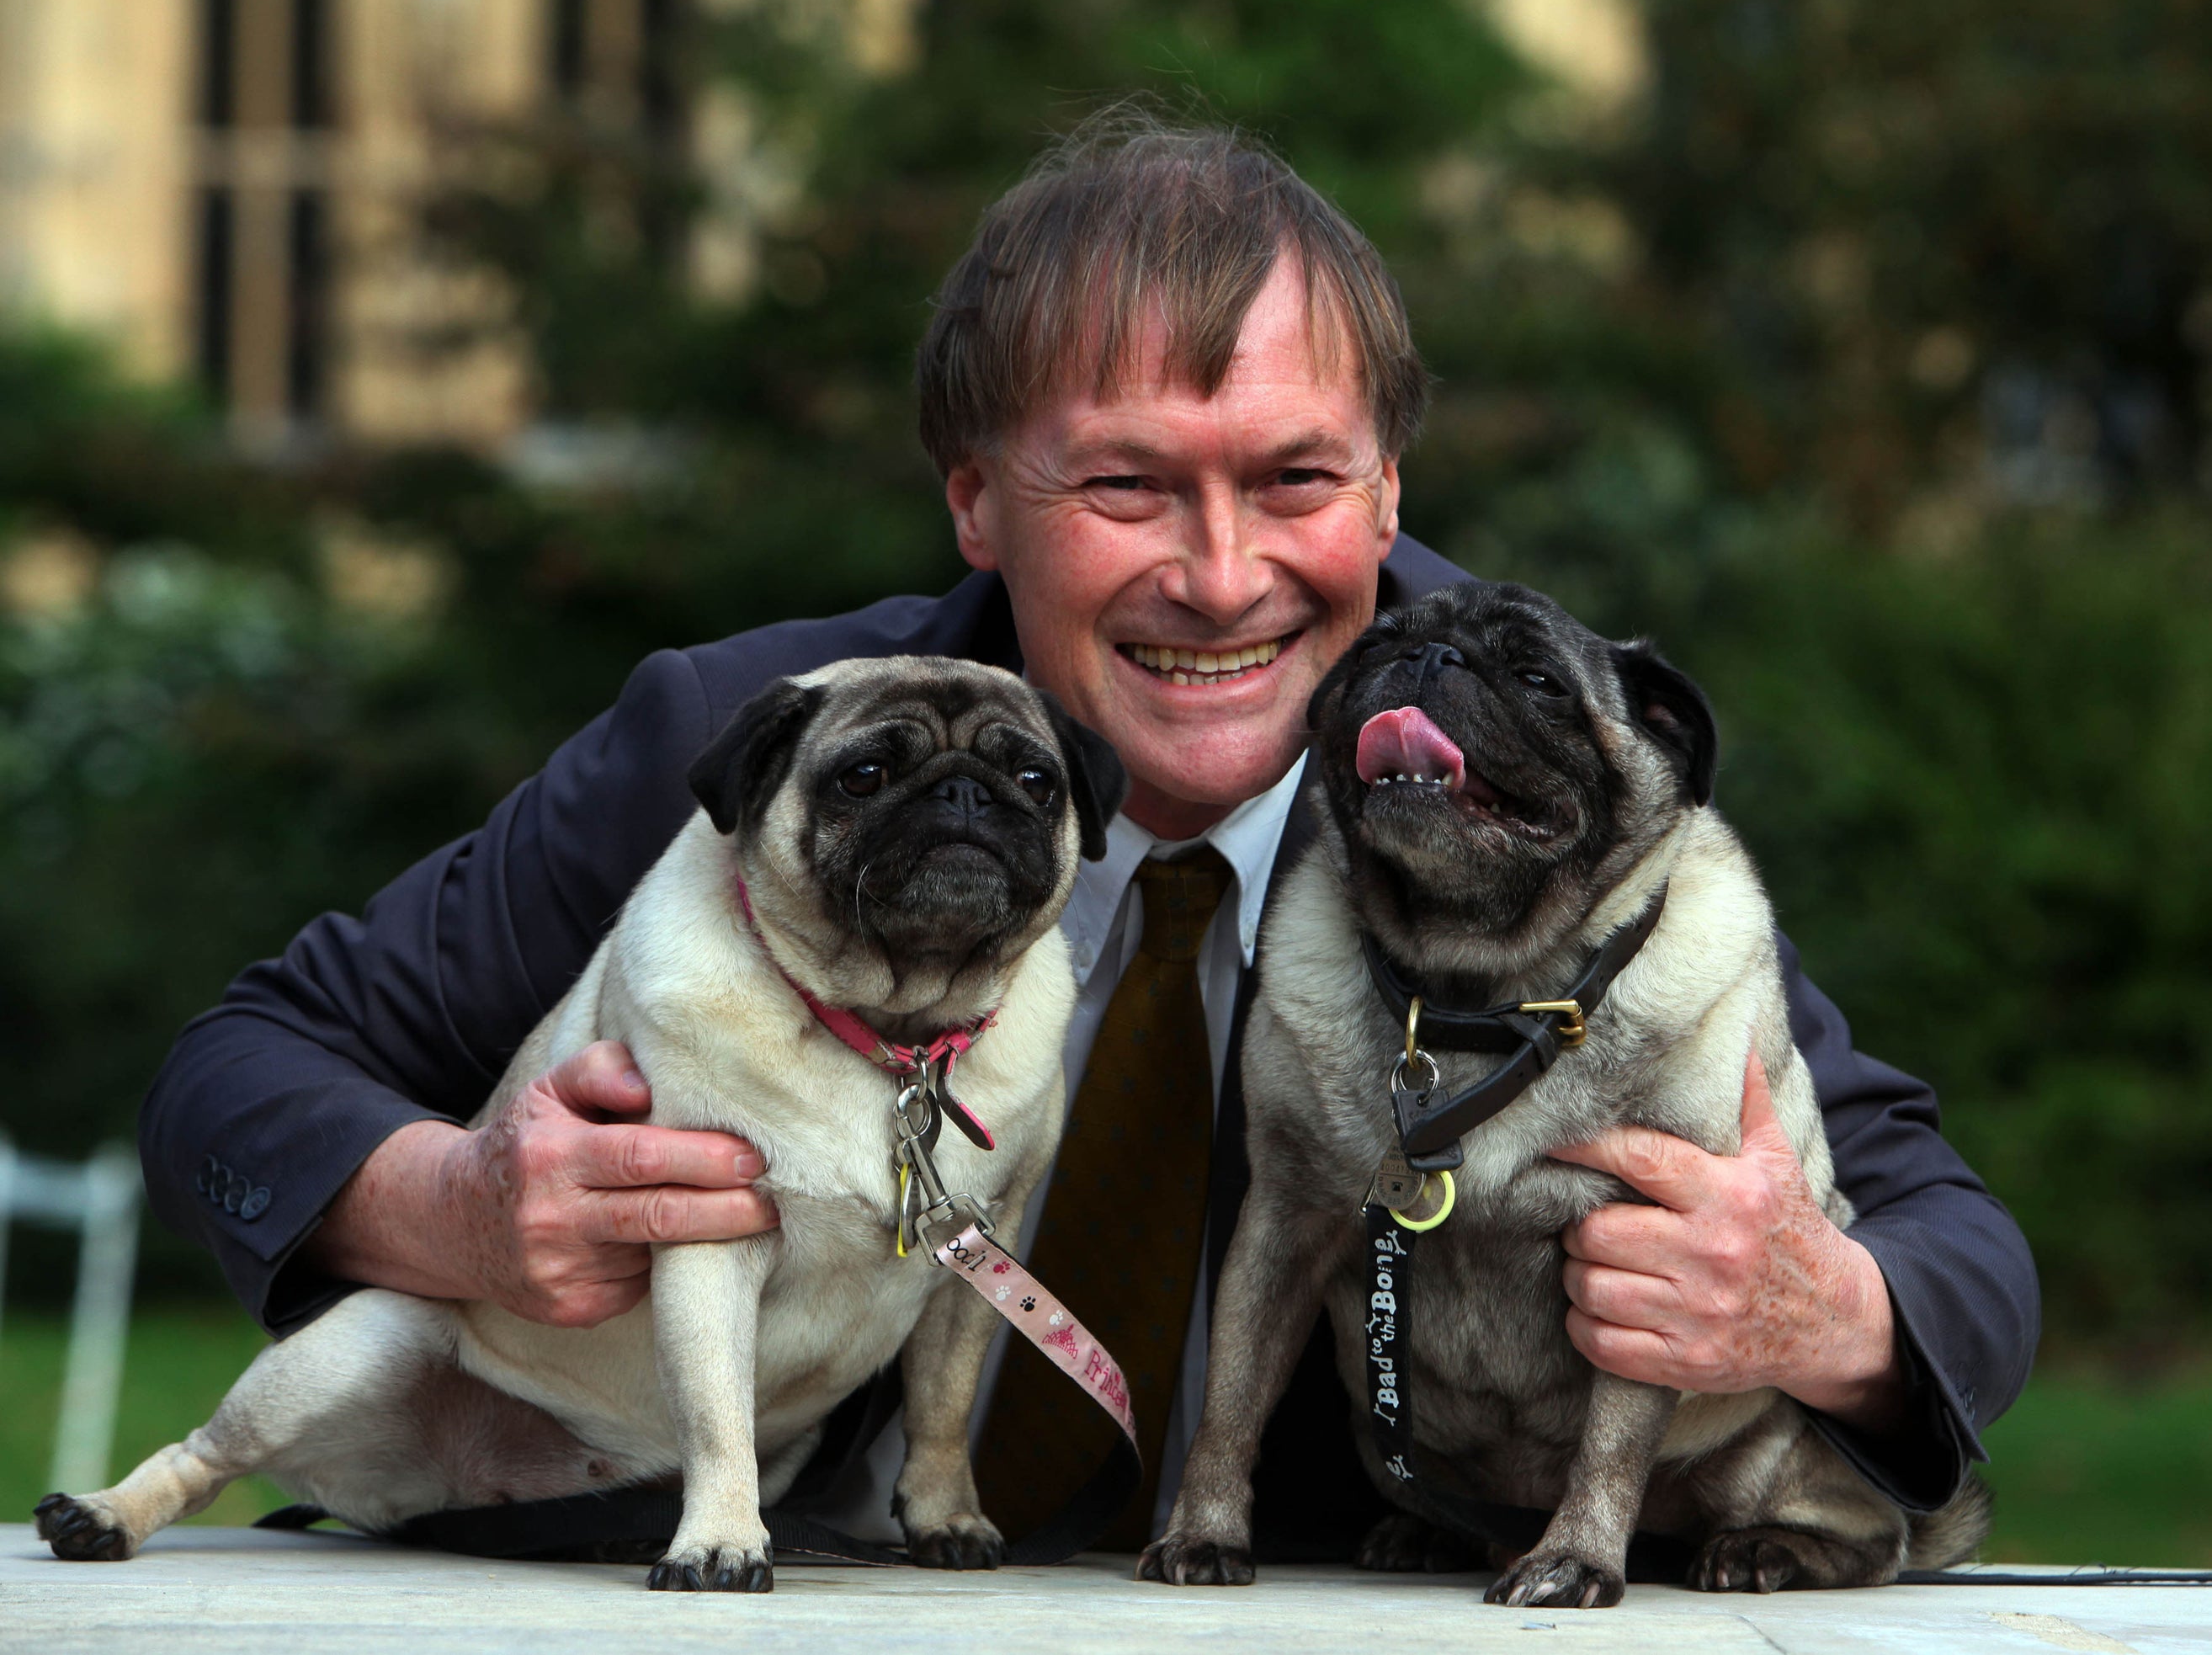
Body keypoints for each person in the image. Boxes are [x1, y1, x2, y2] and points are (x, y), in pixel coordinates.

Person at [143, 118, 2037, 1557]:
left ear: (1389, 488)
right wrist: (461, 1202)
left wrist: (1820, 1303)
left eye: (1296, 478)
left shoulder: (1548, 790)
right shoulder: (753, 746)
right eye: (1126, 484)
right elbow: (240, 1073)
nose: (1222, 577)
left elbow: (1947, 1241)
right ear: (976, 498)